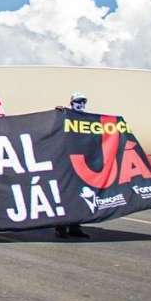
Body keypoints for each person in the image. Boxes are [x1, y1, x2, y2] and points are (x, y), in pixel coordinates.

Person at [56, 92, 91, 240]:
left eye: (83, 101)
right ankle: (61, 227)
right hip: (66, 165)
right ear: (72, 103)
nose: (81, 104)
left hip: (81, 166)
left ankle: (75, 227)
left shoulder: (88, 120)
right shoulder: (64, 116)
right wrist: (58, 113)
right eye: (78, 101)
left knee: (79, 198)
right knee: (65, 196)